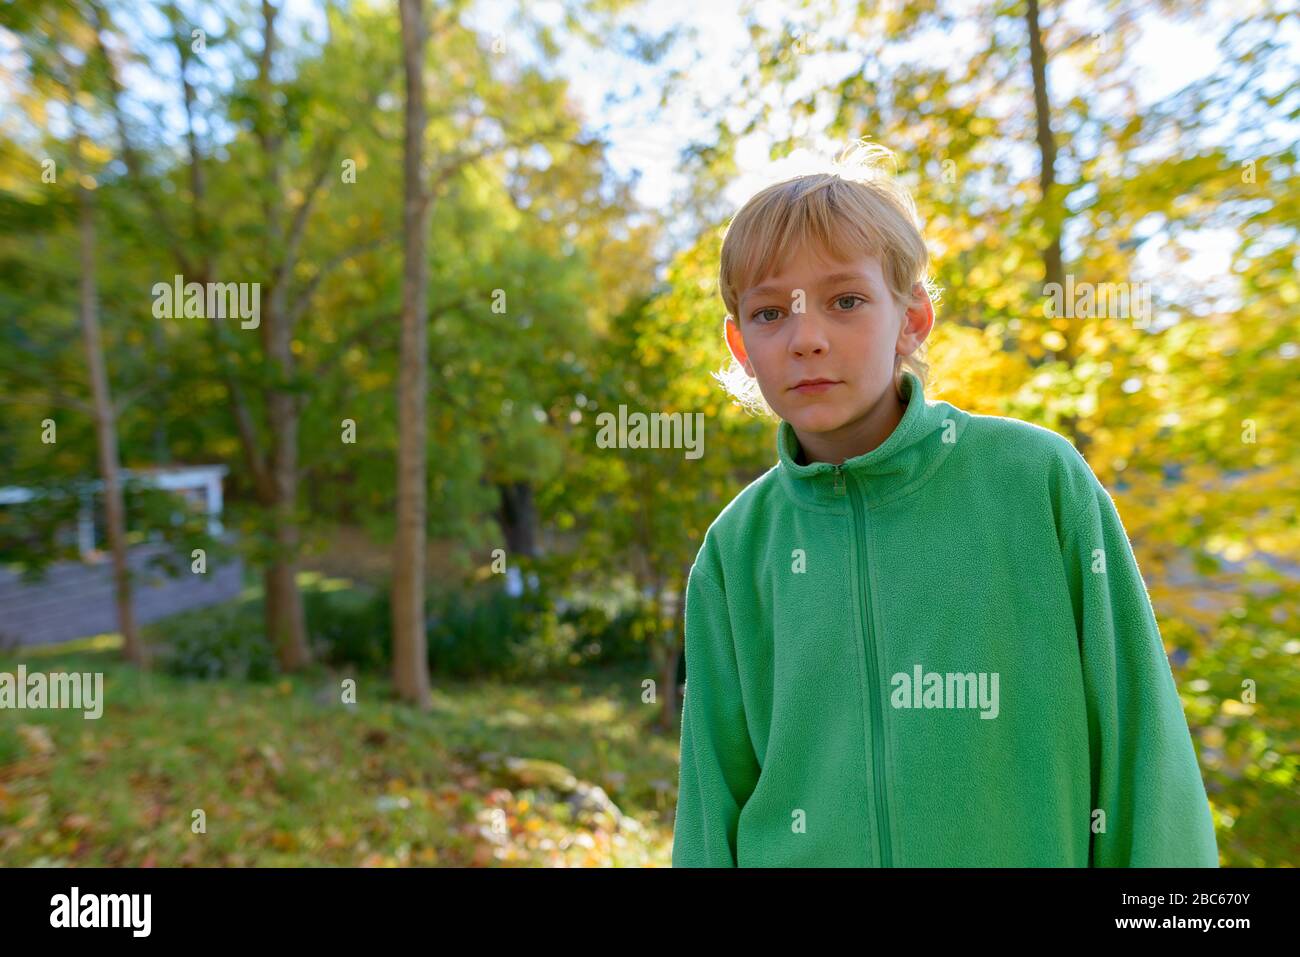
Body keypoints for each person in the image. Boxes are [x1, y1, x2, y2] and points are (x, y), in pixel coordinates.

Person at [670, 140, 1219, 867]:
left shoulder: (1036, 482)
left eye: (846, 301)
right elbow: (712, 804)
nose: (806, 337)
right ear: (740, 344)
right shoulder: (735, 550)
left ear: (912, 319)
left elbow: (1141, 747)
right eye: (771, 313)